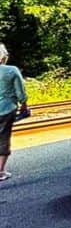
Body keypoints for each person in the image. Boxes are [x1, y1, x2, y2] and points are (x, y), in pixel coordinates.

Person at [0, 43, 28, 182]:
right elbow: (20, 92)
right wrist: (24, 105)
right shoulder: (11, 70)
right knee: (4, 138)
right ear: (3, 56)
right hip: (6, 109)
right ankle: (0, 172)